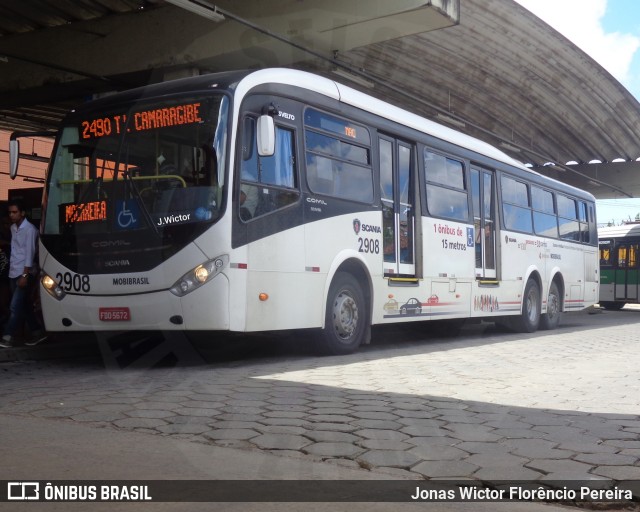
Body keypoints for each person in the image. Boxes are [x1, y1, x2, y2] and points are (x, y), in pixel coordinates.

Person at [0, 200, 47, 348]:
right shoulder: (14, 228)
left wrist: (25, 276)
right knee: (24, 305)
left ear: (22, 213)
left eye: (15, 212)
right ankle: (38, 332)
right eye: (10, 212)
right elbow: (15, 251)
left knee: (14, 306)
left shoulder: (30, 230)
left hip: (24, 273)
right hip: (14, 272)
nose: (12, 215)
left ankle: (7, 336)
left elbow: (29, 254)